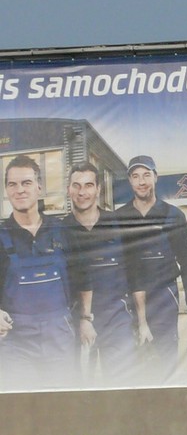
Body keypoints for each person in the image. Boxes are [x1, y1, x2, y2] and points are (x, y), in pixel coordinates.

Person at [0, 155, 81, 388]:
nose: (20, 190)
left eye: (26, 183)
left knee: (62, 405)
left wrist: (84, 319)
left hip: (60, 335)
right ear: (6, 190)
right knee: (23, 408)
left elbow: (81, 280)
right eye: (12, 184)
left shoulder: (63, 230)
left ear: (39, 187)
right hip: (16, 341)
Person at [118, 153, 187, 373]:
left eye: (146, 175)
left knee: (166, 359)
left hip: (165, 298)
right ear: (130, 181)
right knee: (134, 363)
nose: (141, 181)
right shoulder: (119, 218)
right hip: (130, 301)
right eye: (135, 176)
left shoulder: (173, 216)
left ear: (156, 177)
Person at [65, 161, 141, 381]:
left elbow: (135, 276)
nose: (82, 192)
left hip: (117, 322)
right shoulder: (60, 230)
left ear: (98, 189)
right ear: (69, 189)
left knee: (120, 388)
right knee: (79, 390)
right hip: (77, 323)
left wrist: (140, 321)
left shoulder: (117, 224)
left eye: (88, 185)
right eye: (76, 185)